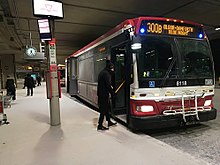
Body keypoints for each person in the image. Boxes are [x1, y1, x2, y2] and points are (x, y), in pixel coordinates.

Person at [97, 61, 117, 131]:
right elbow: (108, 85)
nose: (113, 69)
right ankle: (100, 125)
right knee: (103, 110)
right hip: (104, 94)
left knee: (107, 108)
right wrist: (112, 93)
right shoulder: (106, 74)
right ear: (110, 67)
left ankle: (109, 122)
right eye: (112, 68)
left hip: (101, 93)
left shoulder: (102, 72)